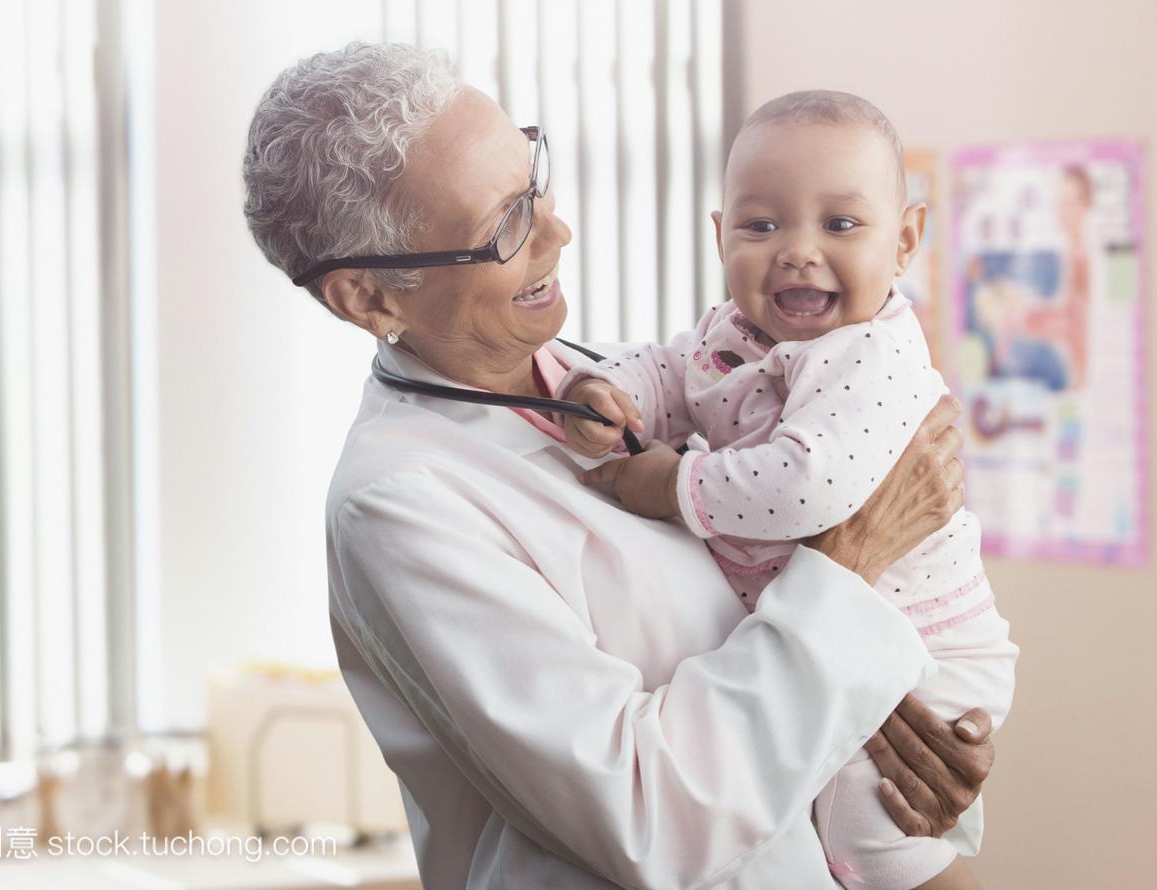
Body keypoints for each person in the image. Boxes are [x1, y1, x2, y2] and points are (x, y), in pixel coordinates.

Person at [242, 43, 996, 889]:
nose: (558, 232)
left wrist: (899, 725)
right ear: (371, 296)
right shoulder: (400, 502)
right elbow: (652, 818)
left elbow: (771, 638)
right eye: (505, 226)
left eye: (535, 182)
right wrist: (856, 558)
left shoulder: (610, 380)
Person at [557, 91, 1018, 889]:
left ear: (904, 239)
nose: (798, 251)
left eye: (840, 224)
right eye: (762, 226)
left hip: (930, 644)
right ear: (719, 236)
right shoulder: (732, 335)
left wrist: (675, 486)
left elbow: (813, 486)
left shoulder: (871, 358)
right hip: (843, 633)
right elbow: (671, 372)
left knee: (878, 847)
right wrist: (609, 387)